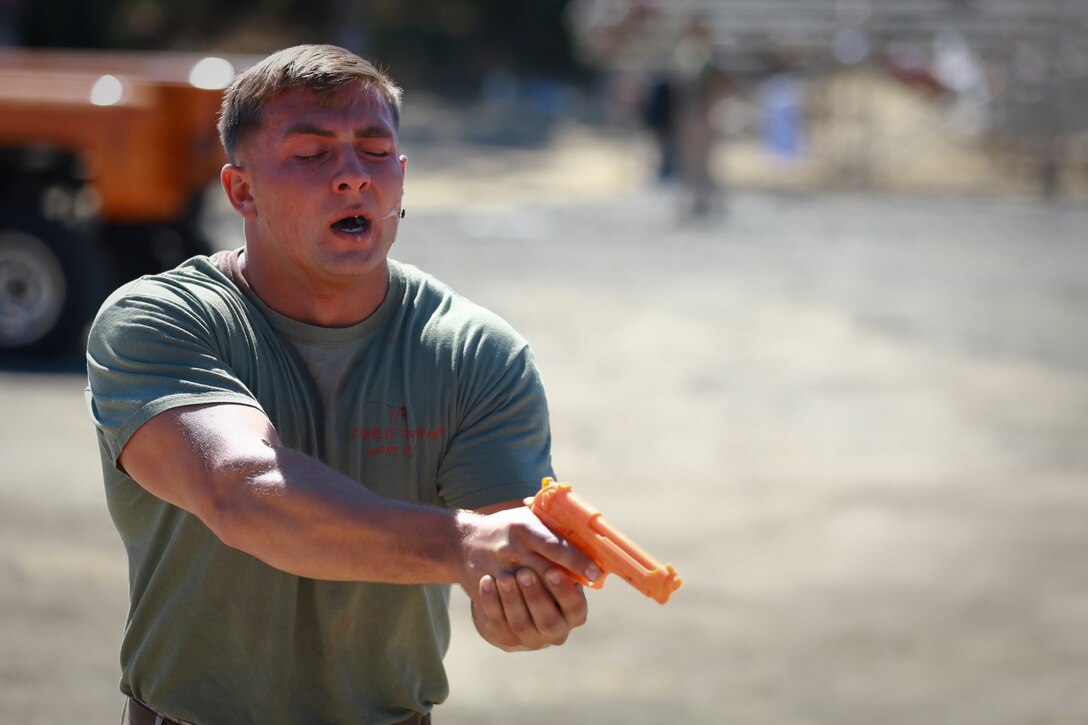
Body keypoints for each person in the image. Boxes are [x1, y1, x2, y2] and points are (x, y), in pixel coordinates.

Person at [85, 44, 598, 725]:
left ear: (403, 177)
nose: (353, 176)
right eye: (311, 153)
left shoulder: (476, 351)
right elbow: (241, 490)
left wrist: (526, 606)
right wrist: (461, 546)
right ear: (241, 190)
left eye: (375, 151)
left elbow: (499, 576)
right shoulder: (160, 319)